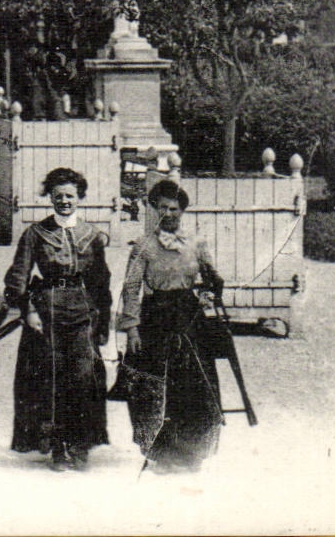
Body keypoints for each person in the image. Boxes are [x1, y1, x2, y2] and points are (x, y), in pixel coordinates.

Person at [4, 167, 112, 471]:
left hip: (83, 312)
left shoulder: (92, 235)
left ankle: (80, 446)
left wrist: (103, 321)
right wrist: (28, 311)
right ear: (50, 198)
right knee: (50, 380)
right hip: (47, 312)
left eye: (70, 196)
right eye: (58, 196)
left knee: (84, 378)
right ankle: (57, 448)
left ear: (80, 198)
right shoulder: (35, 234)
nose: (64, 201)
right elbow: (19, 276)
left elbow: (101, 281)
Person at [117, 179, 226, 474]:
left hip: (190, 321)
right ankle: (162, 454)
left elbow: (213, 279)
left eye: (174, 208)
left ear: (182, 211)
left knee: (196, 387)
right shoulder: (144, 246)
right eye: (162, 208)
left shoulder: (196, 243)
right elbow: (131, 288)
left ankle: (192, 454)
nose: (168, 214)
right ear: (154, 210)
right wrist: (132, 328)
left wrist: (207, 293)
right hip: (155, 320)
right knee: (155, 389)